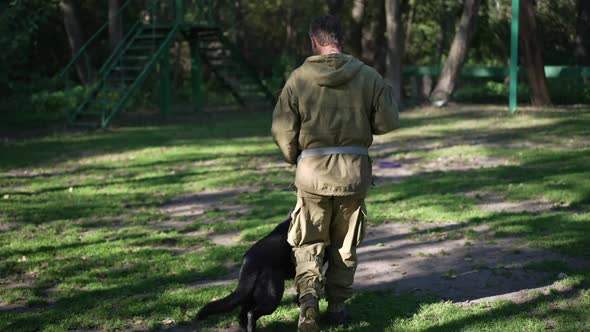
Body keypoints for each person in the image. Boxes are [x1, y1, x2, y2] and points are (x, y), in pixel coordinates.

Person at [271, 15, 399, 332]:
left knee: (308, 242)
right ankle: (338, 306)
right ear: (341, 40)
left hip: (312, 174)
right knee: (345, 245)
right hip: (353, 176)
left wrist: (294, 159)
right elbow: (387, 123)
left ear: (314, 41)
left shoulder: (298, 78)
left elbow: (282, 129)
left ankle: (308, 304)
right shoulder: (369, 77)